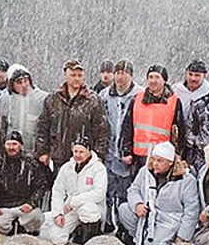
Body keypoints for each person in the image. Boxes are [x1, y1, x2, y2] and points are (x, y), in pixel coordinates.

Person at [118, 141, 199, 245]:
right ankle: (140, 238)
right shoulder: (145, 172)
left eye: (160, 161)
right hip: (148, 214)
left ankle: (157, 244)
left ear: (170, 162)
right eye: (154, 159)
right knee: (124, 209)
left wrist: (182, 237)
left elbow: (191, 211)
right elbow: (133, 190)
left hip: (169, 220)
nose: (155, 163)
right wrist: (137, 204)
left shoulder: (186, 180)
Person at [35, 59, 109, 173]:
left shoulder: (93, 101)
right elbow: (43, 127)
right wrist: (42, 151)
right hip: (58, 158)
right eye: (73, 75)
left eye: (80, 75)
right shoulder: (53, 99)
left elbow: (102, 130)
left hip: (84, 161)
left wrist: (98, 155)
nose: (77, 78)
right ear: (65, 75)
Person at [99, 59, 143, 233]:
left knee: (127, 191)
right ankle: (109, 220)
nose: (120, 77)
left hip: (129, 153)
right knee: (108, 190)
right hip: (109, 151)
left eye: (124, 73)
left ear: (131, 75)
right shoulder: (104, 95)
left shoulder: (139, 95)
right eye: (117, 73)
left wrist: (129, 148)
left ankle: (125, 225)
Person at [120, 64, 185, 171]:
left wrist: (178, 154)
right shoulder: (137, 99)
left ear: (164, 80)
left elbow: (180, 132)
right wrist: (126, 150)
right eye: (150, 77)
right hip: (138, 158)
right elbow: (127, 127)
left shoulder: (174, 102)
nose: (153, 81)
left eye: (157, 77)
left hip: (162, 158)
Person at [45, 137, 107, 245]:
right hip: (70, 209)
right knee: (56, 238)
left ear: (89, 151)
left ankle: (90, 238)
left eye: (81, 152)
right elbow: (58, 191)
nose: (77, 155)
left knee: (87, 210)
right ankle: (76, 230)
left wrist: (74, 201)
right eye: (75, 151)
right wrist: (58, 213)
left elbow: (99, 193)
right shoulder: (67, 167)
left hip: (92, 207)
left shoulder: (98, 168)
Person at [0, 132, 49, 235]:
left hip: (23, 206)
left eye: (14, 144)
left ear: (20, 145)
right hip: (2, 207)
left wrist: (31, 203)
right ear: (4, 145)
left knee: (37, 217)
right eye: (8, 144)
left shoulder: (31, 163)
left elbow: (40, 186)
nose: (11, 147)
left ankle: (26, 235)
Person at [0, 63, 48, 154]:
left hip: (34, 151)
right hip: (11, 151)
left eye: (26, 81)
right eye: (19, 82)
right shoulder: (4, 100)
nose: (24, 85)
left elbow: (47, 127)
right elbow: (0, 128)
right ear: (11, 84)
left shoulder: (42, 99)